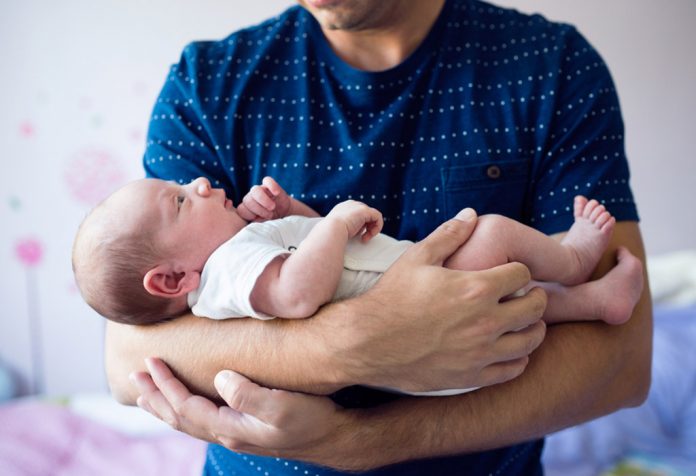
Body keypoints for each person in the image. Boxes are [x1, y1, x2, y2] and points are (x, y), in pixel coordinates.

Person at [105, 0, 653, 474]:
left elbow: (621, 363)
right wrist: (357, 345)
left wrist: (361, 441)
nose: (196, 190)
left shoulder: (548, 66)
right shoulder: (209, 84)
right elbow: (130, 355)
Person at [74, 174, 640, 333]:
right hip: (425, 312)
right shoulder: (224, 271)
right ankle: (573, 259)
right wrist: (340, 219)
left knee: (511, 298)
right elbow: (300, 293)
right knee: (489, 237)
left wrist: (291, 212)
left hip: (435, 314)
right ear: (173, 280)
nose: (198, 183)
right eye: (177, 203)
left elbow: (322, 262)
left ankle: (593, 304)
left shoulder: (234, 262)